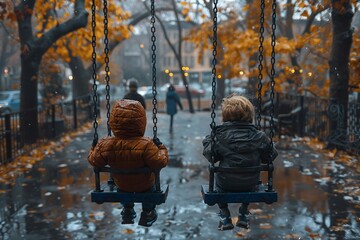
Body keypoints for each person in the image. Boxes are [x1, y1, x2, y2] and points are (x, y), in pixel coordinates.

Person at [202, 94, 278, 231]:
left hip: (226, 183)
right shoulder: (259, 136)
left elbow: (210, 156)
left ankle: (225, 215)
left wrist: (209, 140)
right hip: (250, 183)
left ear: (225, 115)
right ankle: (243, 212)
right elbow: (271, 156)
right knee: (248, 177)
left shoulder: (219, 136)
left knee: (218, 182)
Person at [88, 99, 168, 227]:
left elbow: (94, 161)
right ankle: (148, 212)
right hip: (145, 187)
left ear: (114, 121)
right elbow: (160, 162)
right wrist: (162, 148)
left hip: (122, 185)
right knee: (149, 191)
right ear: (141, 122)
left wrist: (93, 148)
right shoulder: (146, 144)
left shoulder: (106, 144)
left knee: (124, 190)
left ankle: (128, 211)